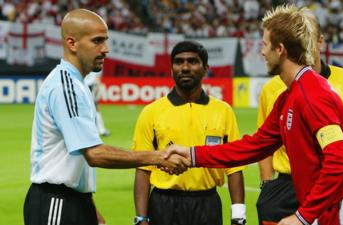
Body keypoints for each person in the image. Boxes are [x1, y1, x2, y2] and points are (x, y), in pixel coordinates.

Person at [165, 5, 343, 225]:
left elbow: (340, 159)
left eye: (265, 45)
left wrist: (302, 217)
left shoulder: (312, 94)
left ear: (280, 49)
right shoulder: (289, 97)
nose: (262, 52)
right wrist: (191, 154)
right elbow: (253, 146)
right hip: (327, 206)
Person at [23, 9, 189, 225]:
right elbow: (94, 154)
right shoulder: (65, 88)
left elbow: (77, 161)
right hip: (56, 202)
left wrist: (90, 209)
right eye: (97, 41)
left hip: (73, 199)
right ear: (72, 43)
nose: (106, 49)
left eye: (106, 40)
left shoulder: (76, 84)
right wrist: (158, 157)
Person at [255, 11, 343, 225]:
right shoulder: (275, 90)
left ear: (320, 41)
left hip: (335, 189)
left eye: (309, 35)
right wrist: (267, 185)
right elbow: (261, 145)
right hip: (286, 187)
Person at [132, 40, 246, 225]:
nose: (185, 67)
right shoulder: (151, 112)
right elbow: (143, 168)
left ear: (205, 68)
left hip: (207, 204)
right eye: (179, 62)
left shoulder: (223, 111)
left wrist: (238, 214)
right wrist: (141, 218)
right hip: (163, 203)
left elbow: (234, 166)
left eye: (192, 61)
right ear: (171, 69)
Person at [84, 71, 110, 136]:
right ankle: (101, 130)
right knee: (94, 108)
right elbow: (97, 76)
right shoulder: (97, 62)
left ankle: (98, 130)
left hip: (86, 85)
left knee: (92, 107)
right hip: (90, 86)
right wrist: (99, 85)